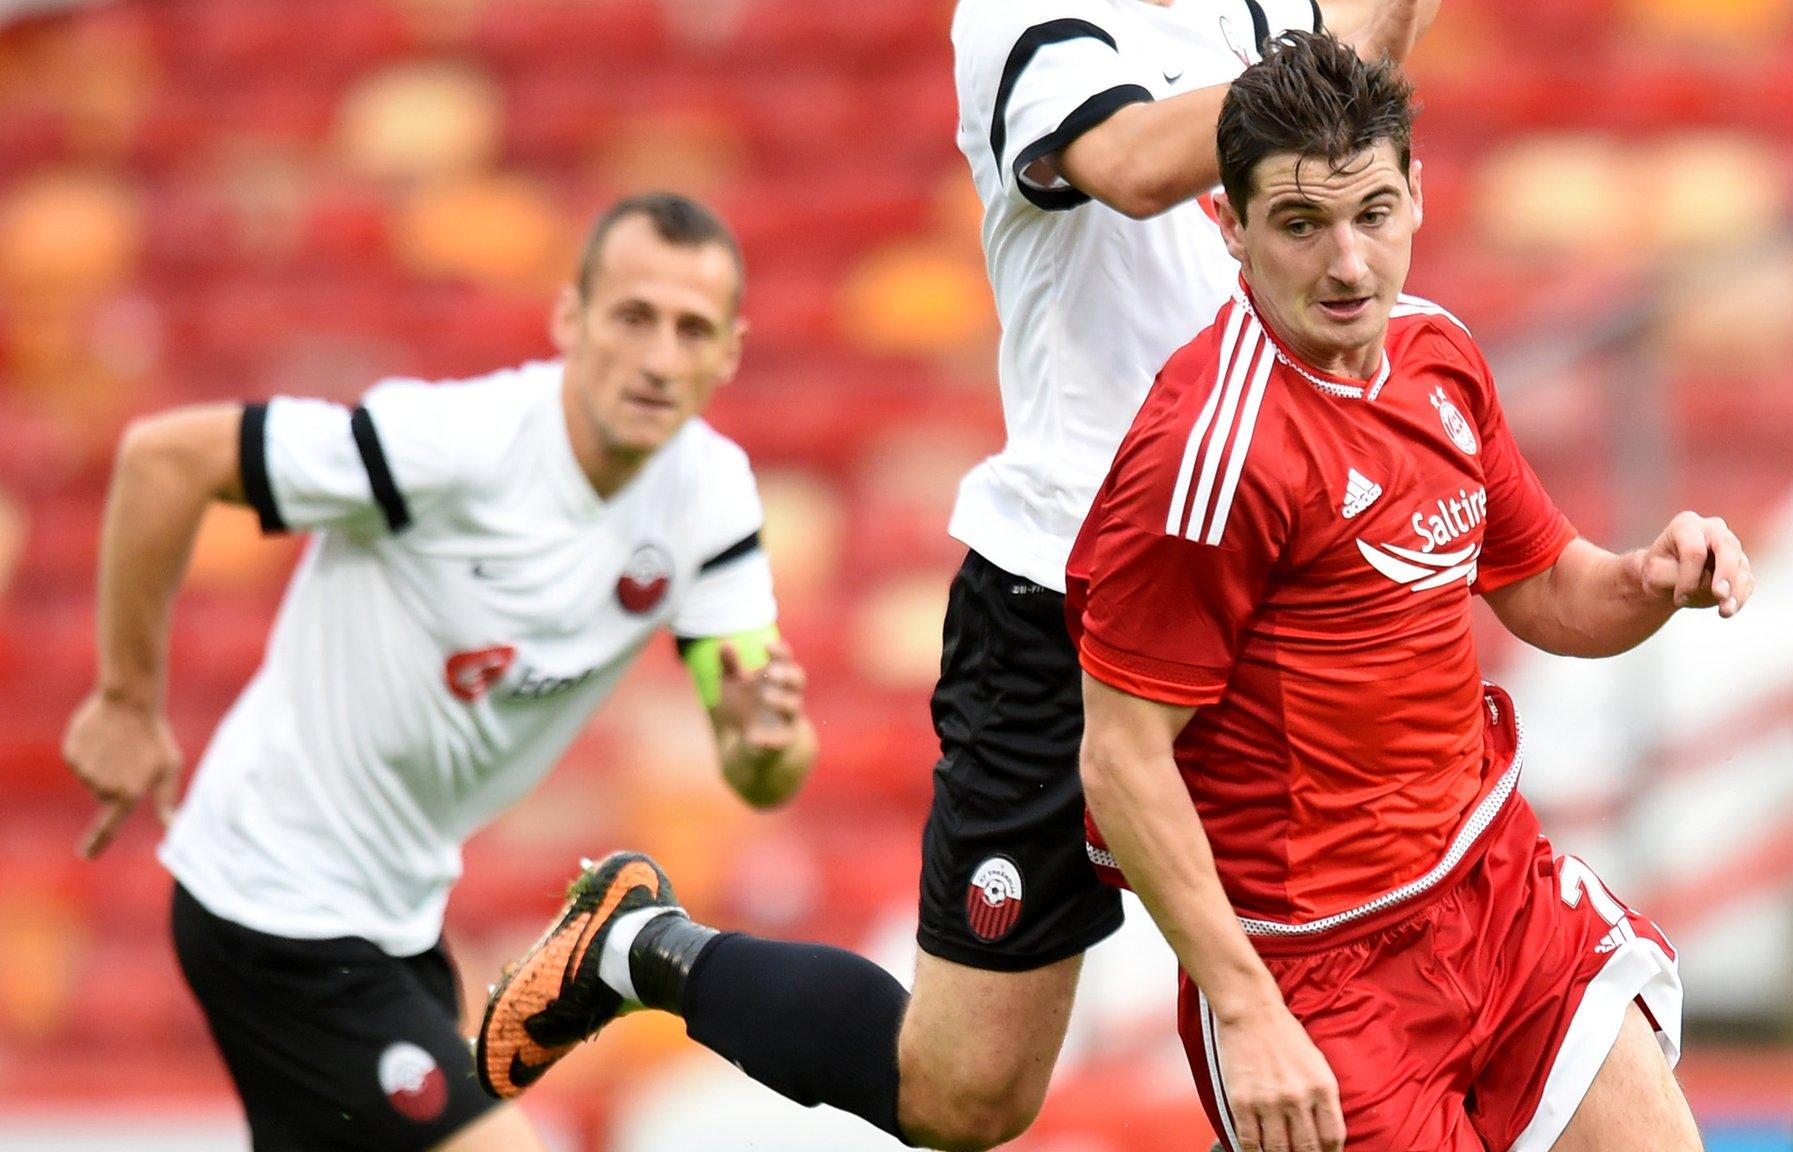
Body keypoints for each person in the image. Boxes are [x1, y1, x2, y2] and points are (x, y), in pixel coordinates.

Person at [475, 3, 1439, 1150]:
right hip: (1064, 598)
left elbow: (1353, 101)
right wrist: (1312, 75)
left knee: (1362, 1000)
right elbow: (1127, 165)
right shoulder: (1029, 17)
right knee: (964, 1094)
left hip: (1266, 581)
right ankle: (636, 949)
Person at [1068, 34, 1755, 1152]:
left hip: (1493, 888)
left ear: (1417, 195)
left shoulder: (1438, 356)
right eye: (1299, 225)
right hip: (1319, 973)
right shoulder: (1209, 450)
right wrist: (1246, 1011)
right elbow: (1119, 754)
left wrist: (1647, 578)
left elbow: (1545, 590)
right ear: (1228, 227)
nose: (1346, 264)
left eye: (1372, 213)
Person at [60, 192, 817, 1152]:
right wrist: (127, 700)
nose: (661, 357)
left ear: (730, 352)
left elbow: (763, 767)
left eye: (691, 328)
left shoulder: (708, 495)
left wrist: (764, 736)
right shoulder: (452, 446)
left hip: (396, 923)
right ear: (570, 321)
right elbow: (164, 459)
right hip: (272, 903)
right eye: (633, 317)